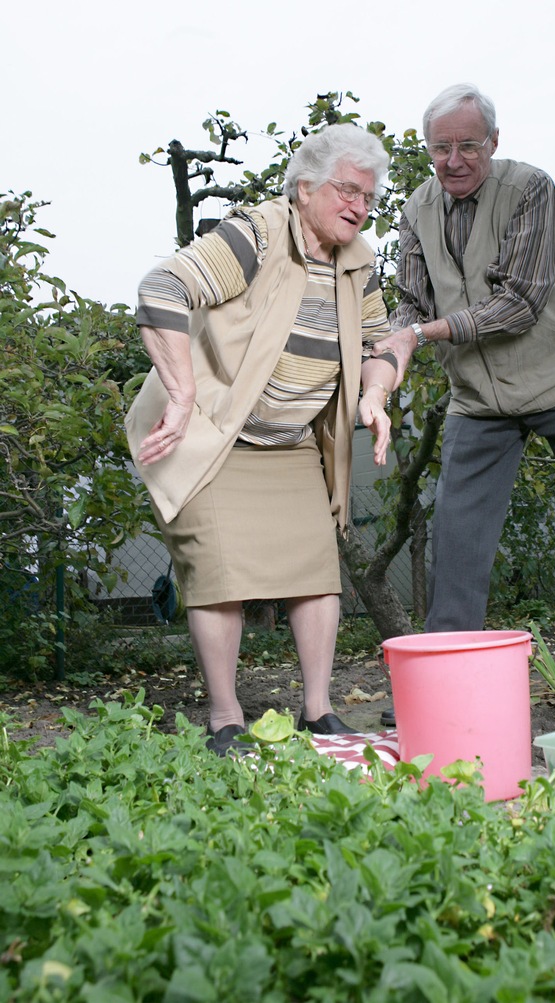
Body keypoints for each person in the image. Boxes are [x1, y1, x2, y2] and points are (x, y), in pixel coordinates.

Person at [373, 83, 555, 724]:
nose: (453, 160)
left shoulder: (532, 189)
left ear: (494, 143)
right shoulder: (417, 209)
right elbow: (411, 303)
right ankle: (441, 688)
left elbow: (521, 303)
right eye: (440, 148)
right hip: (478, 398)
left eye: (467, 146)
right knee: (456, 537)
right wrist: (391, 348)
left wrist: (421, 333)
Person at [126, 123, 399, 756]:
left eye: (369, 196)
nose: (360, 205)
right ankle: (226, 719)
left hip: (292, 443)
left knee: (315, 574)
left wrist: (374, 394)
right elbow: (162, 288)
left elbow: (378, 344)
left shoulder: (358, 262)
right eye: (347, 189)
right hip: (217, 435)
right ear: (304, 187)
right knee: (220, 577)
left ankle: (318, 711)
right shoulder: (256, 233)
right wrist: (183, 390)